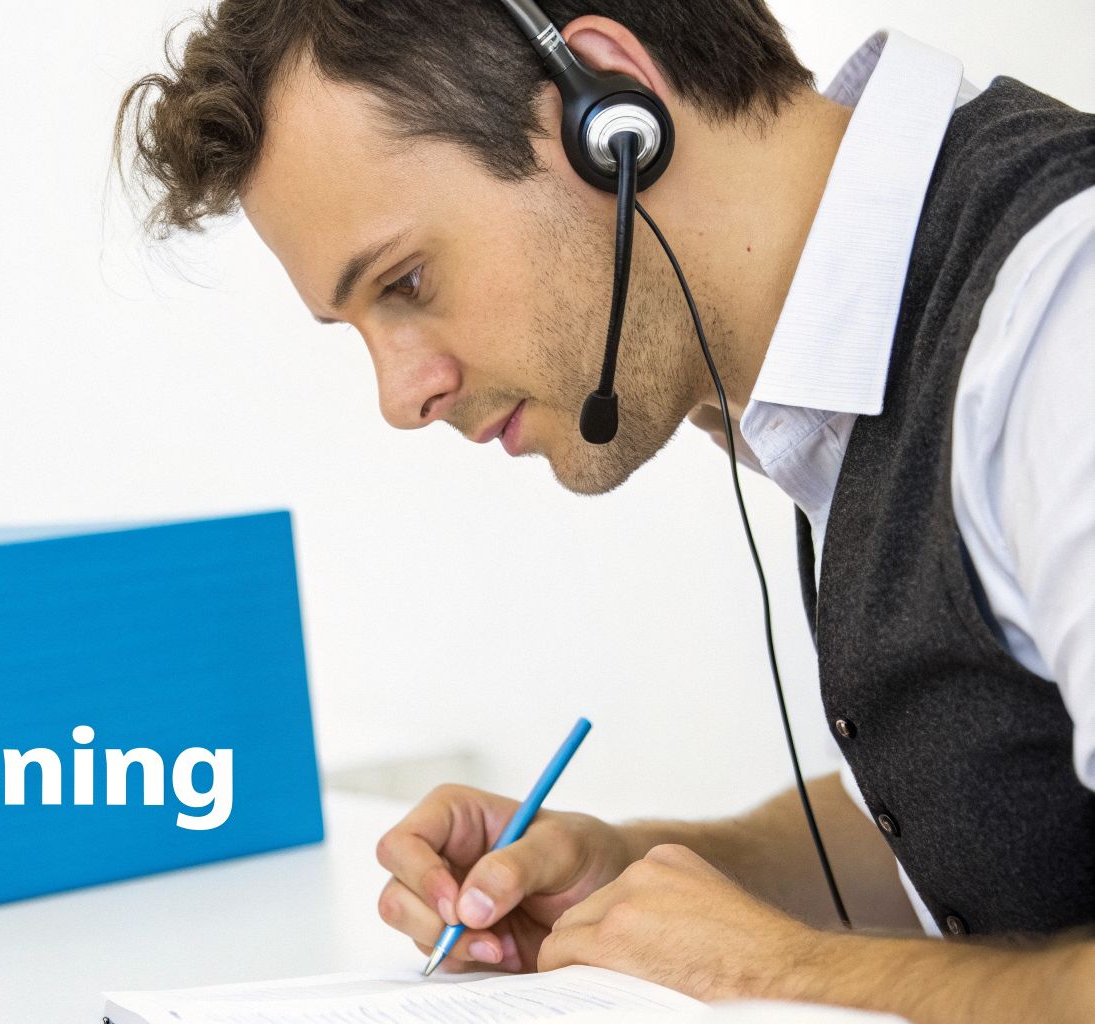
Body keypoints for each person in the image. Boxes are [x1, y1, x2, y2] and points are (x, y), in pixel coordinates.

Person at [113, 1, 1095, 1020]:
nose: (399, 397)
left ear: (610, 112)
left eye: (406, 280)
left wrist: (772, 970)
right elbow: (998, 817)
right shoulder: (871, 356)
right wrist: (632, 879)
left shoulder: (1062, 318)